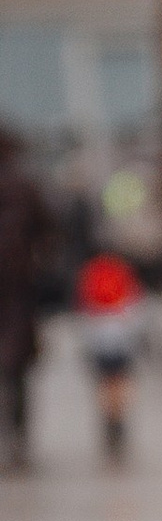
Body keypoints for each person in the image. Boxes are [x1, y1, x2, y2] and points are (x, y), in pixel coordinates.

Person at [0, 124, 55, 465]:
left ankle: (14, 436)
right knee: (16, 367)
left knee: (14, 366)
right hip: (17, 286)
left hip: (16, 287)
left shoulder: (24, 186)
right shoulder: (25, 185)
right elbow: (49, 231)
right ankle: (17, 436)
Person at [75, 246, 143, 462]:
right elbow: (135, 304)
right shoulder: (122, 272)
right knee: (119, 381)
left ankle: (110, 419)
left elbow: (83, 308)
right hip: (121, 335)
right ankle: (117, 418)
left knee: (105, 382)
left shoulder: (90, 274)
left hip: (99, 337)